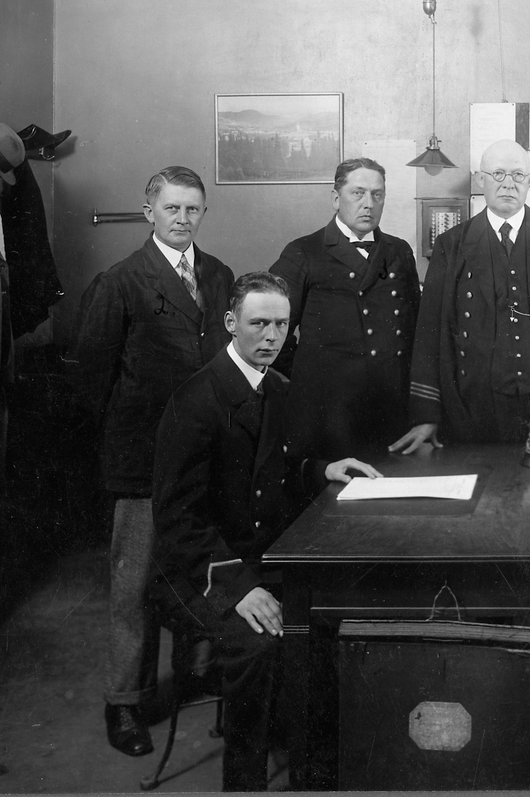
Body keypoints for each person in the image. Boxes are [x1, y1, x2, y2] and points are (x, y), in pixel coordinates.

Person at [151, 272, 379, 791]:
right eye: (259, 324)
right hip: (194, 573)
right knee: (258, 644)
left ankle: (312, 767)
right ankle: (244, 783)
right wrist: (239, 588)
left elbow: (272, 475)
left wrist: (321, 469)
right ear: (231, 323)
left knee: (324, 619)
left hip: (254, 559)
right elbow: (177, 519)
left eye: (281, 324)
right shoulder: (196, 399)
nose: (272, 336)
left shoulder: (276, 387)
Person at [70, 165, 234, 757]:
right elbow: (92, 381)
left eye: (193, 209)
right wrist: (121, 448)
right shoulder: (119, 282)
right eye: (172, 209)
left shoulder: (219, 276)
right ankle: (125, 703)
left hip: (205, 456)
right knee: (134, 584)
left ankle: (198, 672)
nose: (183, 219)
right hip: (141, 460)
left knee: (201, 568)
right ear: (149, 213)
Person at [390, 139, 530, 451]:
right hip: (474, 409)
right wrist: (427, 413)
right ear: (480, 179)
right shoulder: (451, 244)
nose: (508, 184)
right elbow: (430, 332)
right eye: (498, 174)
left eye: (518, 175)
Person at [269, 158, 420, 458]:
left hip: (391, 408)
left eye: (377, 195)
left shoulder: (399, 251)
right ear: (336, 198)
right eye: (358, 193)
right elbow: (271, 330)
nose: (369, 204)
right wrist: (310, 374)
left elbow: (416, 330)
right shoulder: (303, 252)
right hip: (327, 411)